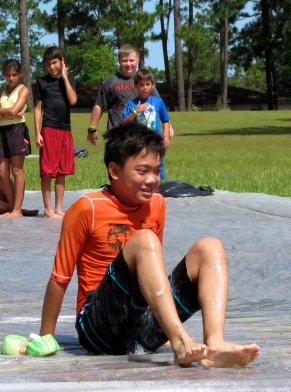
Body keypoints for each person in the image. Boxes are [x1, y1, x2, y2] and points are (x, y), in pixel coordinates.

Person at [39, 122, 259, 367]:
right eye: (142, 171)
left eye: (157, 171)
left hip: (141, 325)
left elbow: (153, 274)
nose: (152, 180)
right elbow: (60, 278)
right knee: (144, 239)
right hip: (99, 328)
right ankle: (180, 341)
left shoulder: (157, 204)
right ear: (114, 170)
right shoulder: (87, 208)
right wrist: (45, 338)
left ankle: (215, 344)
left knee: (210, 247)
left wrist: (159, 327)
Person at [86, 44, 174, 145]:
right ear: (119, 61)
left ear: (138, 60)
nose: (128, 64)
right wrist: (92, 128)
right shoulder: (110, 81)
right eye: (124, 60)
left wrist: (168, 127)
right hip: (117, 133)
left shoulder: (145, 81)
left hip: (139, 135)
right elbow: (99, 105)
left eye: (131, 60)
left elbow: (158, 106)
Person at [33, 46, 77, 218]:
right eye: (48, 64)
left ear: (62, 62)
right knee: (47, 171)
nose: (52, 67)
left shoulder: (69, 79)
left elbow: (73, 100)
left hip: (65, 130)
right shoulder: (42, 82)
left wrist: (65, 77)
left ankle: (58, 208)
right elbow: (37, 109)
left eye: (55, 63)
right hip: (49, 129)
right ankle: (47, 209)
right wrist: (38, 133)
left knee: (61, 171)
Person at [0, 59, 32, 217]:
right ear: (3, 75)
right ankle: (14, 208)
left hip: (17, 131)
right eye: (8, 75)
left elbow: (13, 111)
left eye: (14, 75)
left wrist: (1, 110)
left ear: (20, 74)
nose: (11, 78)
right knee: (3, 172)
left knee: (17, 170)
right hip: (3, 132)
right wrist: (10, 112)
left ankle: (17, 209)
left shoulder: (23, 90)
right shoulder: (1, 92)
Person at [121, 68, 170, 179]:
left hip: (155, 141)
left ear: (152, 85)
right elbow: (124, 123)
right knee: (141, 169)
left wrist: (166, 136)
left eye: (148, 84)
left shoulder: (158, 102)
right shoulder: (131, 103)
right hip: (139, 142)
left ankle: (156, 191)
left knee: (156, 167)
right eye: (141, 85)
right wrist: (135, 112)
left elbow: (165, 120)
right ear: (136, 86)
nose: (145, 88)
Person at [0, 146, 38, 216]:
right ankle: (21, 211)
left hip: (6, 200)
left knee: (1, 178)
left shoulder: (0, 173)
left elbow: (12, 190)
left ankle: (14, 209)